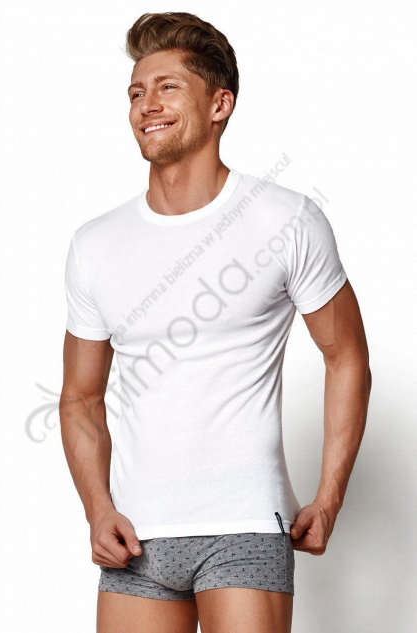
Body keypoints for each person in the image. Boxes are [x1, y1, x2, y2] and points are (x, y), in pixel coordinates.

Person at [60, 11, 371, 633]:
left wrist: (329, 497)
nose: (147, 104)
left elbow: (347, 358)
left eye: (168, 87)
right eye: (136, 92)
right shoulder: (95, 243)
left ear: (219, 104)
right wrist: (98, 509)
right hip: (135, 536)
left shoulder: (285, 219)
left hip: (246, 524)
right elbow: (80, 396)